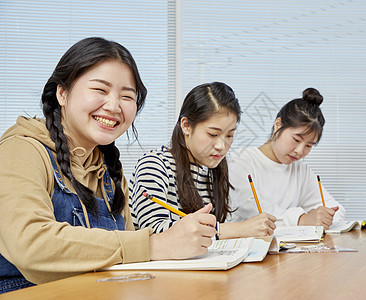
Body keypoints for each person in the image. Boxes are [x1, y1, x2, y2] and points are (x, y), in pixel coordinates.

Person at [0, 37, 217, 294]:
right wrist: (156, 244)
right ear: (62, 92)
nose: (114, 106)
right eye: (100, 90)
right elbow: (32, 245)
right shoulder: (21, 149)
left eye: (127, 96)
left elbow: (124, 262)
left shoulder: (109, 168)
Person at [130, 82, 276, 239]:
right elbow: (152, 233)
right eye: (213, 134)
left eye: (229, 135)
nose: (221, 146)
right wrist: (238, 229)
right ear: (186, 126)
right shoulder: (154, 165)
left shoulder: (213, 171)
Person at [228, 88, 345, 229]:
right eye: (296, 139)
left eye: (309, 146)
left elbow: (335, 209)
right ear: (278, 125)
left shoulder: (301, 170)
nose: (299, 151)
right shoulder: (241, 161)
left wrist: (325, 217)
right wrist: (301, 219)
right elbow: (252, 209)